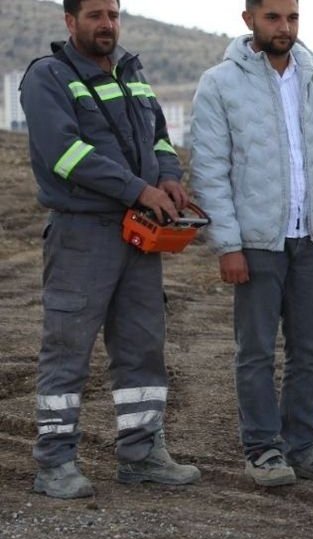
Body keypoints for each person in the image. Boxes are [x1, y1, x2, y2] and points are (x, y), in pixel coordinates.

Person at [22, 0, 202, 499]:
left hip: (137, 232)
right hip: (83, 234)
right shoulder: (49, 77)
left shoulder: (132, 73)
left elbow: (160, 137)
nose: (106, 24)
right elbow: (66, 155)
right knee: (68, 348)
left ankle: (142, 454)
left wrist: (168, 177)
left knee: (142, 346)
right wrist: (139, 190)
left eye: (113, 14)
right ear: (69, 21)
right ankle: (54, 464)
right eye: (95, 14)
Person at [190, 0, 313, 487]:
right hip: (257, 240)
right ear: (249, 21)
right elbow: (210, 169)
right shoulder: (219, 83)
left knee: (310, 352)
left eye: (292, 18)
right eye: (273, 18)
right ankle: (263, 448)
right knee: (256, 351)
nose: (284, 28)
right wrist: (227, 244)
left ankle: (303, 445)